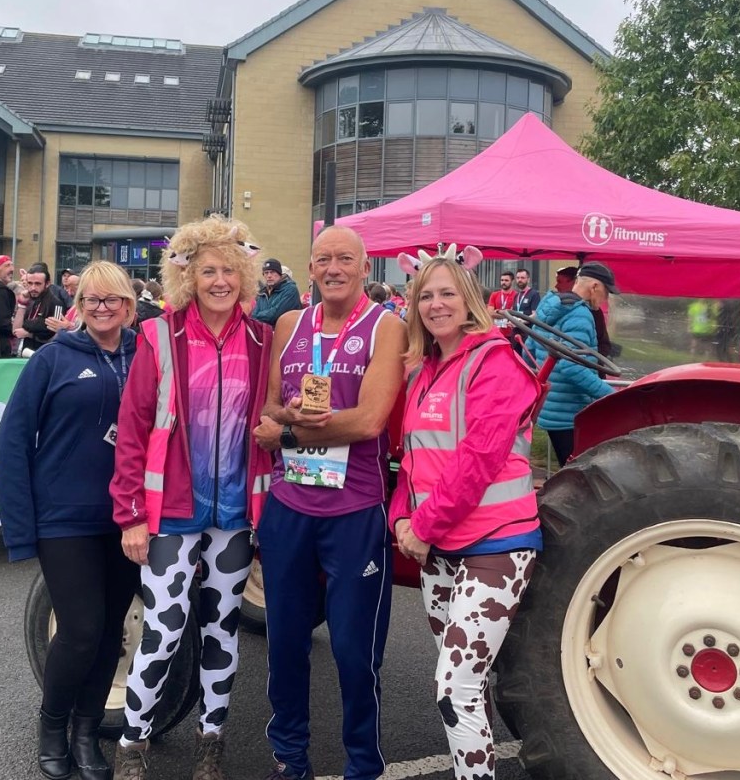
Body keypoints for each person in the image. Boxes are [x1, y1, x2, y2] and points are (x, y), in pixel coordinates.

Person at [110, 216, 274, 780]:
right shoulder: (160, 335)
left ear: (245, 274)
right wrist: (131, 515)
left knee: (221, 629)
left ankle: (212, 742)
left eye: (230, 269)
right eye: (208, 271)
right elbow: (132, 429)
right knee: (163, 630)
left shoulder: (262, 340)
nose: (220, 280)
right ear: (188, 277)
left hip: (234, 515)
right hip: (173, 513)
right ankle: (132, 744)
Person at [253, 225, 407, 780]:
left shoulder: (386, 326)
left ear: (365, 268)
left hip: (354, 510)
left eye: (345, 259)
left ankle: (362, 764)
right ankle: (289, 755)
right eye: (323, 259)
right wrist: (290, 418)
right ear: (311, 268)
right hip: (290, 506)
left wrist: (288, 432)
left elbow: (368, 422)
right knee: (285, 641)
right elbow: (270, 407)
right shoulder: (289, 324)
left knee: (352, 650)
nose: (333, 268)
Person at [389, 245, 541, 780]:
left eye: (447, 293)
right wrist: (401, 519)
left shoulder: (496, 362)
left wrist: (422, 526)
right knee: (467, 688)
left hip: (496, 545)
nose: (436, 304)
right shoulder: (423, 371)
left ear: (470, 298)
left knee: (454, 688)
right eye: (425, 295)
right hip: (437, 549)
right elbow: (411, 460)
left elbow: (479, 459)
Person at [0, 261, 140, 780]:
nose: (102, 308)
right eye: (92, 300)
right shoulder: (53, 358)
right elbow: (13, 439)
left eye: (112, 299)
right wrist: (20, 529)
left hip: (127, 519)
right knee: (80, 629)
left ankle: (85, 732)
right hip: (63, 519)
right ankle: (52, 727)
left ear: (129, 306)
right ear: (78, 306)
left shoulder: (145, 357)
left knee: (110, 632)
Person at [526, 262, 616, 466]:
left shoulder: (549, 305)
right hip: (570, 412)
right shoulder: (579, 314)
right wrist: (610, 396)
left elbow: (529, 350)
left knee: (568, 469)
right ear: (594, 286)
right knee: (577, 475)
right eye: (606, 292)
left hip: (549, 408)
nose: (605, 299)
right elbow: (572, 367)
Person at [14, 264, 68, 354]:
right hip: (25, 354)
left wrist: (29, 334)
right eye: (30, 283)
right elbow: (16, 331)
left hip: (45, 356)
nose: (33, 288)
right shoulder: (29, 300)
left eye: (38, 284)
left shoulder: (56, 304)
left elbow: (56, 338)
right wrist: (22, 305)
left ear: (47, 283)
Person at [251, 257, 301, 327]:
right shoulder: (262, 293)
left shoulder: (290, 289)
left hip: (287, 331)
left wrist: (258, 315)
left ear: (280, 274)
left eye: (272, 272)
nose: (269, 276)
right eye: (266, 273)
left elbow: (274, 315)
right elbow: (253, 316)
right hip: (266, 331)